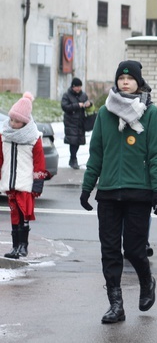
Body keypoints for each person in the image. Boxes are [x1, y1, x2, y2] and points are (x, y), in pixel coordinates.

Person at [80, 60, 157, 324]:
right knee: (109, 250)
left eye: (130, 78)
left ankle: (146, 281)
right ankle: (116, 304)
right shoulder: (106, 114)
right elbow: (96, 153)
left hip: (138, 193)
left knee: (133, 249)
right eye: (121, 78)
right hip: (108, 193)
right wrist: (87, 187)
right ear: (116, 82)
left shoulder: (150, 114)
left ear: (139, 82)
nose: (125, 82)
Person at [0, 92, 50, 259]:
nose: (13, 123)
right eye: (12, 120)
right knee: (14, 213)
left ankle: (24, 246)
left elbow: (39, 161)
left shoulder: (33, 138)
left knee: (24, 213)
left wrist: (38, 183)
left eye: (17, 121)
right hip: (10, 182)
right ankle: (15, 246)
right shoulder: (4, 135)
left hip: (26, 183)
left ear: (26, 122)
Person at [61, 77, 92, 169]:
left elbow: (89, 107)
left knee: (78, 141)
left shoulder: (83, 95)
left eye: (80, 87)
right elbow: (64, 106)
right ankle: (73, 159)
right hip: (70, 121)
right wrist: (77, 105)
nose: (78, 89)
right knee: (73, 142)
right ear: (73, 87)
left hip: (81, 121)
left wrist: (89, 105)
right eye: (77, 87)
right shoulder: (67, 95)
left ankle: (72, 159)